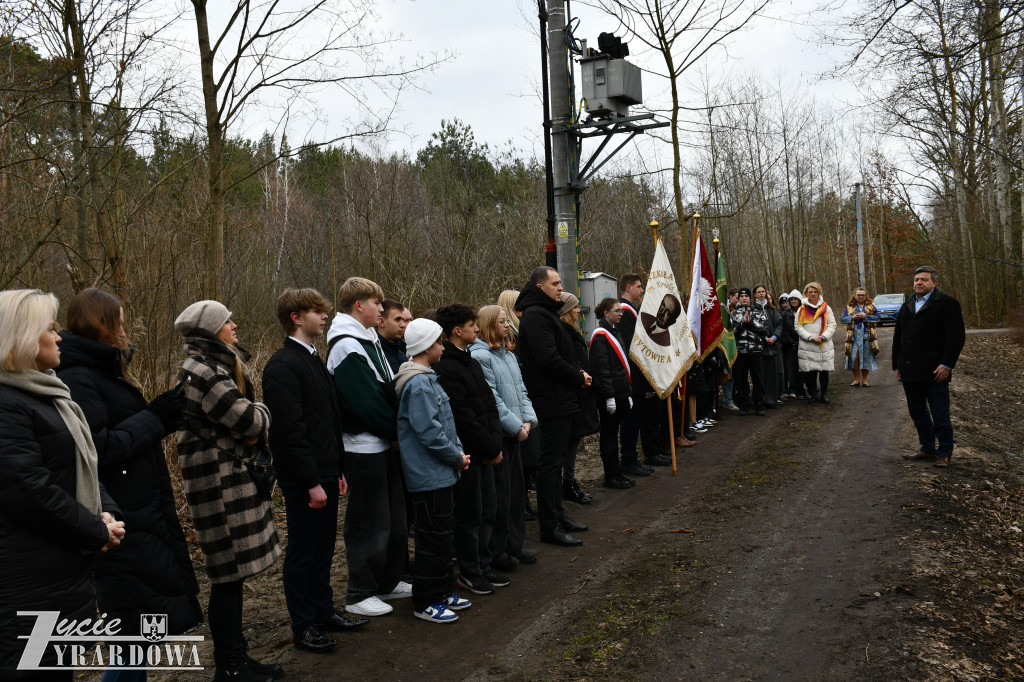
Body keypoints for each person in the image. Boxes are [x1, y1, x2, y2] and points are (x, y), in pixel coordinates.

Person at [56, 288, 203, 681]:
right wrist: (154, 417)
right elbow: (97, 448)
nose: (124, 329)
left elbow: (121, 433)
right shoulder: (77, 377)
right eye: (118, 321)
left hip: (140, 514)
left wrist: (161, 416)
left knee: (138, 635)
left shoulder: (103, 371)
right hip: (119, 516)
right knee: (132, 639)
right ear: (101, 324)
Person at [0, 289, 125, 682]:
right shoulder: (6, 403)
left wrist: (106, 511)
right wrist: (93, 529)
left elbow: (80, 465)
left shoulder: (48, 392)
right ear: (21, 336)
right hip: (25, 586)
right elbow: (30, 491)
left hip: (57, 575)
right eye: (50, 329)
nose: (58, 337)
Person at [174, 300, 282, 682]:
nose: (235, 325)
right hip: (218, 488)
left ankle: (237, 658)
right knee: (226, 579)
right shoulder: (203, 371)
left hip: (225, 483)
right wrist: (263, 411)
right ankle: (230, 667)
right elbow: (251, 421)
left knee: (231, 578)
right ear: (209, 331)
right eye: (226, 321)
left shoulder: (212, 366)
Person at [262, 288, 368, 654]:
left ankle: (323, 612)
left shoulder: (312, 358)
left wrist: (337, 470)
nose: (324, 317)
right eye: (316, 312)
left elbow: (327, 421)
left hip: (324, 472)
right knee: (304, 550)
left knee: (323, 548)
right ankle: (303, 624)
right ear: (296, 317)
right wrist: (310, 482)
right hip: (304, 479)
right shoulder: (282, 366)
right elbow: (289, 433)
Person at [326, 277, 410, 616]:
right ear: (359, 305)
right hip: (362, 448)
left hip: (383, 444)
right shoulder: (346, 345)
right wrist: (395, 429)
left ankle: (388, 581)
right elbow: (366, 402)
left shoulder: (368, 339)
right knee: (368, 522)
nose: (381, 308)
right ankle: (360, 592)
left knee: (393, 519)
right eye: (376, 303)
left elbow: (386, 389)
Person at [394, 318, 473, 623]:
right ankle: (426, 599)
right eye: (439, 342)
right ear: (427, 347)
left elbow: (443, 425)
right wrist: (456, 456)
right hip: (429, 476)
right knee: (432, 539)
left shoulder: (427, 378)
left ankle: (441, 591)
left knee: (443, 535)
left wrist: (457, 454)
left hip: (440, 472)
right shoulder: (419, 383)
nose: (443, 346)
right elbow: (429, 432)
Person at [433, 303, 506, 595]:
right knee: (470, 516)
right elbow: (463, 419)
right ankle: (470, 570)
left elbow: (489, 405)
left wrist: (495, 443)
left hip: (486, 450)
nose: (477, 329)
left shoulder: (471, 361)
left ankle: (484, 565)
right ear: (457, 330)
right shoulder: (447, 367)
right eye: (472, 324)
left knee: (488, 509)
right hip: (469, 454)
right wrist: (490, 447)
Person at [515, 267, 589, 547]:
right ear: (539, 285)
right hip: (550, 401)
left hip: (561, 399)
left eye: (560, 283)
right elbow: (548, 359)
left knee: (556, 463)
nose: (560, 288)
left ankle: (558, 514)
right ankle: (550, 526)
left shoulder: (545, 313)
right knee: (549, 466)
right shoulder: (535, 316)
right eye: (555, 283)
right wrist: (577, 377)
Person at [470, 305, 538, 572]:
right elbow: (493, 400)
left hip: (517, 432)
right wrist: (514, 426)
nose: (507, 325)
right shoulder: (480, 357)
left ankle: (515, 545)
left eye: (506, 321)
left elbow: (521, 390)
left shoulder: (507, 355)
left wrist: (528, 420)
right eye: (501, 322)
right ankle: (498, 550)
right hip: (501, 435)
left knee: (515, 493)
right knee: (499, 496)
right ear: (488, 325)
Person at [893, 266, 965, 468]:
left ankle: (944, 453)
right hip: (910, 370)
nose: (918, 283)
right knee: (917, 411)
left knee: (940, 414)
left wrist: (946, 365)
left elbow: (955, 337)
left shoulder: (947, 304)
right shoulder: (907, 305)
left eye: (923, 279)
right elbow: (899, 337)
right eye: (916, 279)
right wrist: (897, 365)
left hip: (936, 371)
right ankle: (927, 448)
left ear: (935, 283)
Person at [498, 288, 540, 524]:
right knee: (520, 462)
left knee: (527, 461)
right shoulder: (512, 335)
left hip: (522, 406)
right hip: (512, 413)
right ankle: (521, 504)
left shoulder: (517, 334)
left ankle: (524, 502)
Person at [617, 273, 663, 476]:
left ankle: (634, 458)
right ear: (628, 288)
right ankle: (628, 459)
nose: (642, 290)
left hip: (639, 377)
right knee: (631, 421)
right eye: (638, 286)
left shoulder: (631, 311)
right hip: (633, 377)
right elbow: (631, 346)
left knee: (639, 419)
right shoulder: (624, 312)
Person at [589, 297, 636, 488]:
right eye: (617, 310)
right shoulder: (601, 336)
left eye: (621, 310)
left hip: (620, 392)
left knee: (613, 434)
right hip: (610, 395)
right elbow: (602, 369)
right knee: (609, 436)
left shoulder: (615, 332)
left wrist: (628, 393)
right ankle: (611, 475)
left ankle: (617, 473)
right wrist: (609, 396)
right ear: (606, 313)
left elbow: (621, 366)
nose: (621, 313)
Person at [558, 292, 599, 502]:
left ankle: (570, 480)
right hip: (573, 395)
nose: (578, 311)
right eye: (574, 307)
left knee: (573, 443)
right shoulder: (563, 332)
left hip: (580, 394)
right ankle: (567, 482)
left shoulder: (571, 331)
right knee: (569, 444)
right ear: (565, 311)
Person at [729, 287, 769, 416]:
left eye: (746, 296)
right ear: (739, 298)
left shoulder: (758, 311)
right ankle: (744, 405)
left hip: (756, 350)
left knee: (758, 379)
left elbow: (764, 329)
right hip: (740, 352)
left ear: (750, 298)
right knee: (741, 380)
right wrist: (743, 324)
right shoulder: (734, 313)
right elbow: (732, 330)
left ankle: (759, 404)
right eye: (741, 296)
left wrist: (750, 323)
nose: (744, 298)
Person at [796, 282, 837, 404]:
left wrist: (824, 336)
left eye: (815, 292)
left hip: (824, 344)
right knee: (811, 372)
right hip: (808, 344)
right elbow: (798, 327)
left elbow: (832, 324)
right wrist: (809, 337)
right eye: (810, 292)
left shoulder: (826, 308)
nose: (813, 294)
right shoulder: (801, 309)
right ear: (806, 294)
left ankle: (824, 394)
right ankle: (813, 394)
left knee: (824, 371)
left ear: (819, 293)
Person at [840, 287, 881, 387]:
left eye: (863, 295)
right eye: (859, 295)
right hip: (853, 337)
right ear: (855, 295)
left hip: (867, 336)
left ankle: (865, 380)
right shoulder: (850, 307)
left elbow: (878, 318)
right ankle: (857, 379)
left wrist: (865, 317)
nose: (861, 296)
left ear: (866, 296)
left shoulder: (871, 306)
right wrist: (852, 317)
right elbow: (842, 319)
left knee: (865, 357)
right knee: (854, 357)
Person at [754, 285, 783, 407]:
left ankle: (771, 399)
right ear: (754, 295)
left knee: (772, 375)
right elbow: (753, 326)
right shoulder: (752, 309)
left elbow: (779, 324)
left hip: (772, 347)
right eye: (759, 292)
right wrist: (763, 338)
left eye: (763, 291)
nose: (761, 294)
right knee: (760, 376)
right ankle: (760, 400)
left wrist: (774, 337)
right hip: (759, 348)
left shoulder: (772, 309)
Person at [720, 288, 741, 411]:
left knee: (734, 375)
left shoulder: (739, 309)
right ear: (731, 297)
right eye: (737, 297)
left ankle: (731, 398)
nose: (738, 300)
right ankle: (726, 399)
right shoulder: (724, 309)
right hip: (725, 346)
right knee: (727, 374)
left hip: (737, 346)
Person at [377, 299, 409, 375]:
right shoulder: (374, 355)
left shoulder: (402, 354)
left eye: (403, 320)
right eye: (397, 320)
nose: (403, 325)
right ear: (381, 322)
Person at [780, 292, 801, 398]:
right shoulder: (786, 313)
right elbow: (785, 330)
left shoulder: (803, 311)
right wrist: (790, 341)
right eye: (791, 299)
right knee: (790, 368)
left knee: (802, 368)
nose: (793, 301)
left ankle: (801, 388)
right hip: (790, 345)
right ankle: (792, 388)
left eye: (795, 299)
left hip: (803, 343)